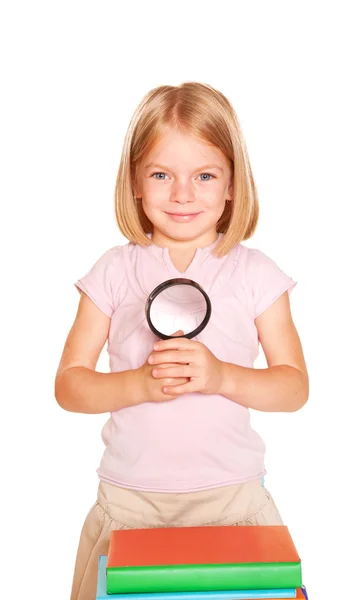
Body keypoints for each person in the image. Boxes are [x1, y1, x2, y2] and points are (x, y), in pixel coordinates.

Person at [55, 82, 309, 600]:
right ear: (135, 183)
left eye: (205, 175)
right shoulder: (114, 270)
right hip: (131, 504)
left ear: (233, 183)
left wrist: (221, 376)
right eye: (161, 174)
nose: (182, 194)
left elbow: (293, 388)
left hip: (231, 501)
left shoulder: (255, 274)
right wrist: (139, 385)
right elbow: (69, 386)